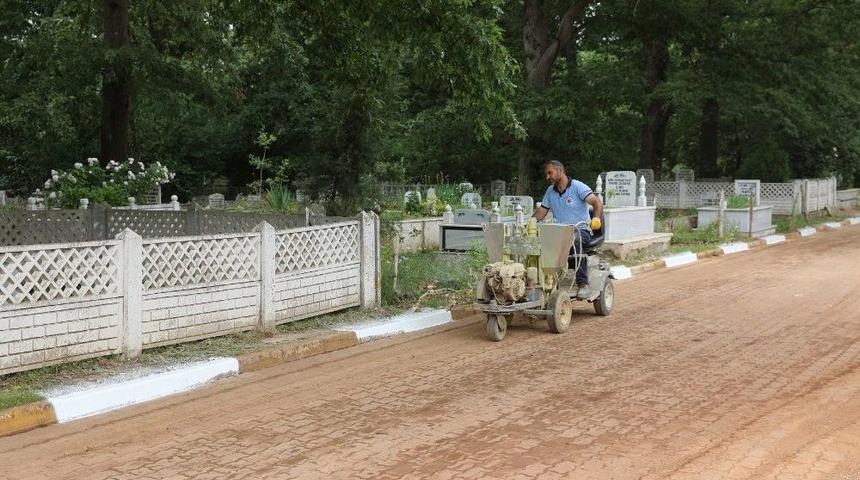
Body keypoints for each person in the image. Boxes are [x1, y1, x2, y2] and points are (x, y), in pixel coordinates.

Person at [533, 160, 603, 300]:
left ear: (560, 171)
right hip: (560, 232)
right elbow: (542, 211)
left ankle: (583, 284)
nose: (548, 177)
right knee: (539, 242)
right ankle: (543, 282)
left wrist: (596, 219)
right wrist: (530, 224)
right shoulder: (550, 191)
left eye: (550, 173)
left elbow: (596, 202)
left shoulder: (577, 186)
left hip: (580, 230)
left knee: (574, 237)